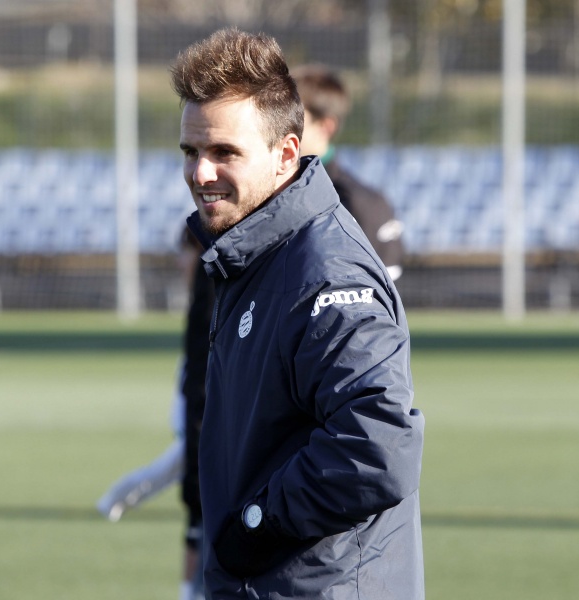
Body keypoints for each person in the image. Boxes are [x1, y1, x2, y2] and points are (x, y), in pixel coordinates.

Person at [170, 27, 425, 599]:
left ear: (286, 155)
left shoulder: (325, 274)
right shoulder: (250, 256)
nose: (200, 173)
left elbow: (378, 444)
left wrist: (256, 524)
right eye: (191, 151)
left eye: (224, 152)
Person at [97, 226, 213, 600]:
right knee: (192, 517)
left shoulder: (215, 296)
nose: (180, 262)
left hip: (208, 445)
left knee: (195, 513)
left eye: (185, 252)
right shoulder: (202, 303)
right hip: (196, 439)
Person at [291, 64, 405, 281]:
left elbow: (378, 293)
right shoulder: (262, 193)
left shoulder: (364, 205)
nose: (279, 125)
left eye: (293, 117)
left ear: (326, 126)